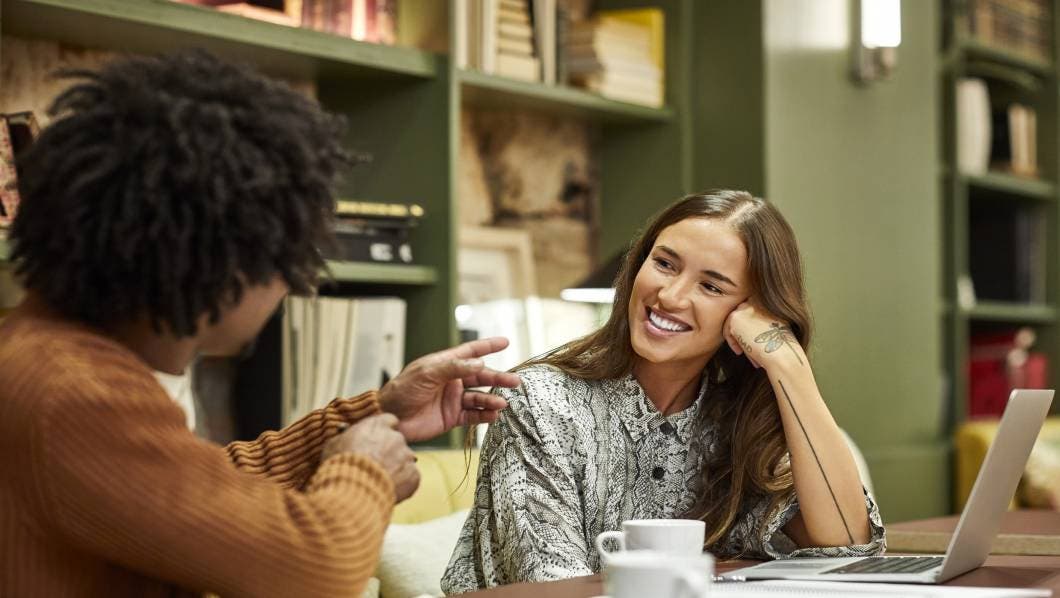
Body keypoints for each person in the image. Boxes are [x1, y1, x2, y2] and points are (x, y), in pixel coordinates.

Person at [0, 50, 519, 597]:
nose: (294, 285)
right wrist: (366, 472)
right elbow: (317, 572)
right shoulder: (75, 395)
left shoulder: (46, 355)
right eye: (287, 259)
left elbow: (201, 497)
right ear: (228, 264)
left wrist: (376, 413)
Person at [442, 190, 887, 593]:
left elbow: (846, 547)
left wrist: (788, 364)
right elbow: (552, 589)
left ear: (751, 313)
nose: (670, 295)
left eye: (711, 286)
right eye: (664, 264)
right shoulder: (539, 403)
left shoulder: (738, 423)